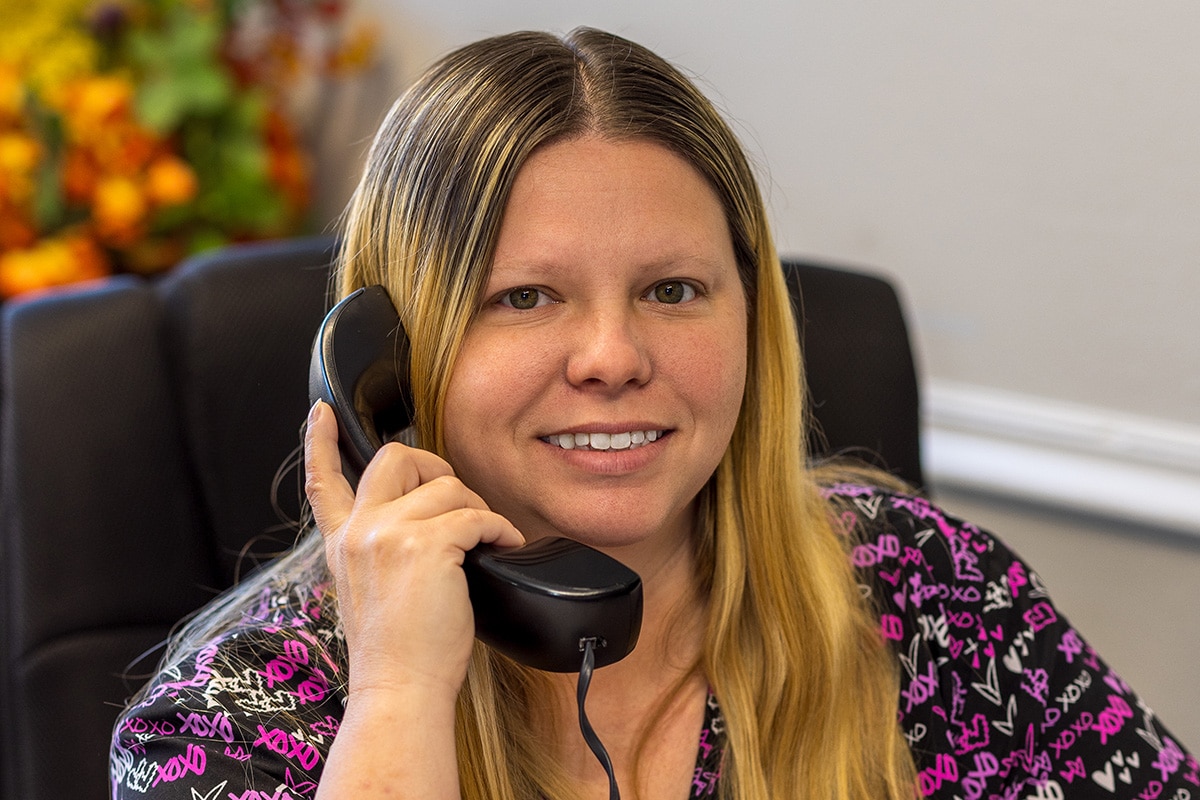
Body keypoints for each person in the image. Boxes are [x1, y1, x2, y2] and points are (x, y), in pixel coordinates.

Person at [110, 27, 1196, 800]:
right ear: (389, 359)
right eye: (524, 297)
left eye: (673, 290)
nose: (615, 357)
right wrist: (398, 693)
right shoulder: (236, 719)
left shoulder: (917, 587)